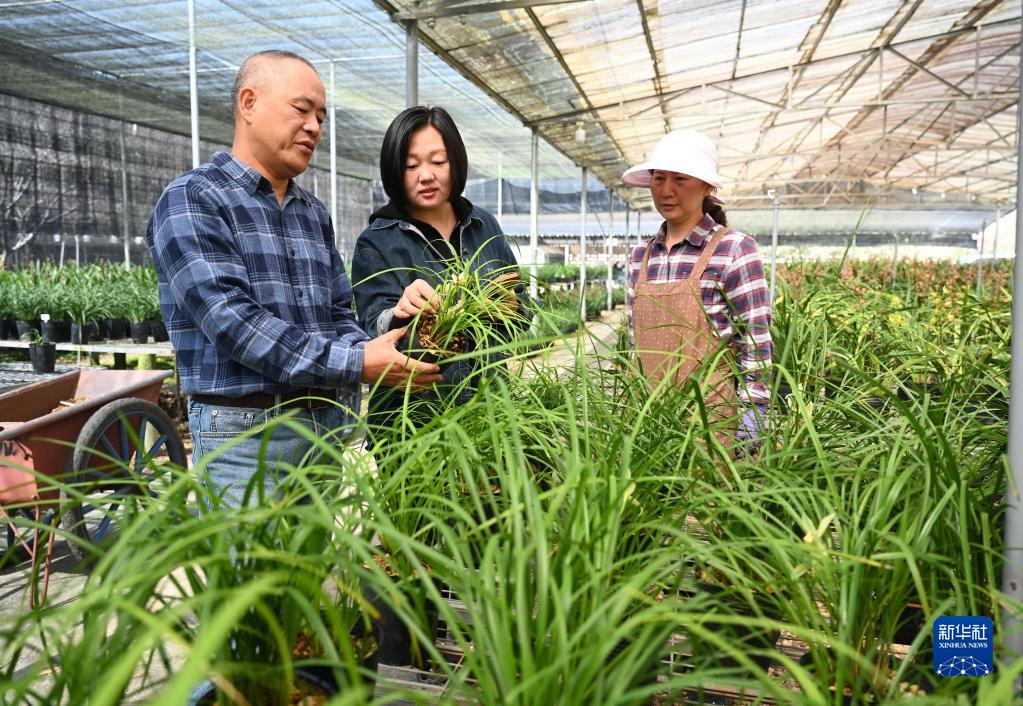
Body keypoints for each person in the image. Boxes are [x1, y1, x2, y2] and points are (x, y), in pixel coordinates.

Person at [147, 50, 441, 507]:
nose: (314, 127)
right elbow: (232, 321)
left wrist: (383, 345)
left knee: (311, 554)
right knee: (252, 555)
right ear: (248, 103)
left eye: (321, 117)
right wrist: (357, 362)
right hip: (245, 435)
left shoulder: (312, 213)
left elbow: (338, 313)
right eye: (302, 110)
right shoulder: (194, 198)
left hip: (324, 428)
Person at [351, 105, 527, 442]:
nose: (426, 175)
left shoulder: (484, 225)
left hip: (489, 417)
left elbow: (521, 311)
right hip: (412, 427)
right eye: (411, 165)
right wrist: (400, 313)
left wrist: (511, 306)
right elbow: (371, 330)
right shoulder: (376, 242)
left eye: (438, 162)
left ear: (455, 163)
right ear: (395, 170)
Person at [622, 129, 772, 448]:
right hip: (645, 417)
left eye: (680, 179)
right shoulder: (640, 256)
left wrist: (755, 410)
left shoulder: (734, 249)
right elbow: (635, 341)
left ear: (706, 186)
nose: (666, 191)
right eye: (659, 178)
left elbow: (755, 336)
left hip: (710, 421)